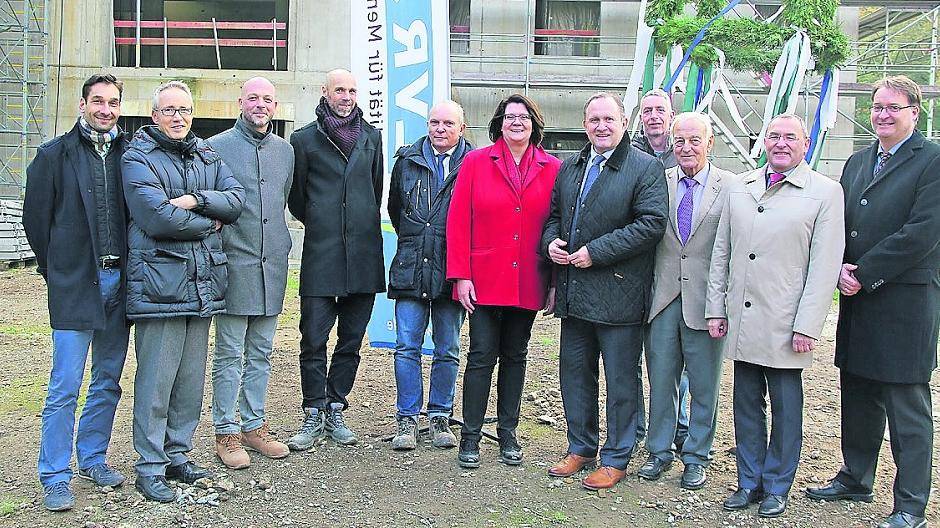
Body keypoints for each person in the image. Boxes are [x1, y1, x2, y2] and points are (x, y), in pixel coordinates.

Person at [806, 76, 939, 528]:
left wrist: (864, 273)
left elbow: (921, 234)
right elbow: (842, 223)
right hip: (858, 300)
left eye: (893, 108)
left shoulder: (933, 160)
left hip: (904, 302)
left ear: (914, 112)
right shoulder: (859, 161)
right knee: (858, 393)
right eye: (877, 107)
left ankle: (910, 505)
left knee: (906, 407)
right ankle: (855, 478)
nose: (882, 114)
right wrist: (840, 265)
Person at [706, 113, 844, 518]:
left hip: (786, 322)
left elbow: (824, 266)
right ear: (764, 141)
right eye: (774, 136)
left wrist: (808, 324)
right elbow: (721, 253)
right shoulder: (741, 188)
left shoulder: (825, 192)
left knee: (786, 409)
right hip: (743, 320)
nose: (781, 143)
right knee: (746, 404)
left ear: (805, 144)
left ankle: (778, 485)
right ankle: (749, 481)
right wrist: (716, 308)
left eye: (790, 137)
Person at [122, 80, 245, 502]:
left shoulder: (206, 153)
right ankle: (150, 465)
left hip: (202, 286)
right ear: (154, 115)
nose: (178, 117)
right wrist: (210, 224)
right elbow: (154, 217)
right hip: (160, 287)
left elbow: (235, 202)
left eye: (185, 110)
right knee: (157, 381)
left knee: (189, 381)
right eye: (170, 109)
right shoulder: (138, 155)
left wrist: (194, 200)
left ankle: (177, 454)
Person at [542, 92, 668, 490]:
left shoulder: (644, 168)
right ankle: (581, 447)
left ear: (624, 123)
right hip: (575, 295)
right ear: (585, 125)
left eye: (608, 119)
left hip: (618, 295)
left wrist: (595, 252)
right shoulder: (572, 166)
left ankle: (616, 457)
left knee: (620, 382)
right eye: (594, 120)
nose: (601, 126)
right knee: (575, 375)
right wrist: (551, 243)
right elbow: (556, 216)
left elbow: (651, 224)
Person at [23, 74, 130, 512]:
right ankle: (54, 475)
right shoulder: (53, 155)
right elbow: (36, 224)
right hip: (75, 285)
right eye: (98, 101)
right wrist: (60, 272)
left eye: (113, 102)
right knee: (65, 386)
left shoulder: (131, 153)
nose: (106, 109)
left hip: (120, 284)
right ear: (82, 103)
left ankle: (92, 458)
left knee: (107, 380)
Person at [446, 93, 560, 468]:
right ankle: (471, 435)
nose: (517, 122)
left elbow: (556, 224)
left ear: (534, 124)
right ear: (499, 122)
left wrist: (555, 281)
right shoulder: (476, 162)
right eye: (510, 116)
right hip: (484, 279)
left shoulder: (552, 167)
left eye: (524, 117)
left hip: (528, 277)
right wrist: (460, 275)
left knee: (516, 355)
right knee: (481, 355)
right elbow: (459, 221)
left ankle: (508, 432)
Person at [287, 69, 384, 450]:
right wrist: (326, 219)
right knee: (312, 338)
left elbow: (374, 191)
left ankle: (336, 404)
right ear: (325, 93)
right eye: (339, 89)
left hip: (362, 255)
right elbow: (298, 198)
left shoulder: (372, 138)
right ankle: (313, 410)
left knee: (351, 340)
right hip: (322, 255)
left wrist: (353, 219)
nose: (346, 95)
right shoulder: (303, 139)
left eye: (352, 90)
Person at [640, 112, 733, 490]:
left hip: (707, 303)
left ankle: (696, 456)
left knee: (704, 385)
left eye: (695, 140)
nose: (686, 148)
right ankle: (659, 451)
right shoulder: (658, 182)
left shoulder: (730, 187)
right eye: (680, 141)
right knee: (661, 381)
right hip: (662, 299)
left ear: (710, 143)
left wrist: (721, 304)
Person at [206, 77, 293, 469]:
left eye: (268, 99)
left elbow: (282, 202)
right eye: (253, 98)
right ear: (240, 101)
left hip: (271, 265)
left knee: (261, 352)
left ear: (276, 106)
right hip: (235, 265)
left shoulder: (285, 152)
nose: (261, 104)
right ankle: (226, 431)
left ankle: (254, 425)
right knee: (229, 352)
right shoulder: (216, 148)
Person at [387, 100, 473, 450]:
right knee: (406, 346)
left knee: (448, 347)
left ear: (462, 129)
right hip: (410, 266)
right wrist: (418, 238)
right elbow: (396, 209)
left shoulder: (475, 163)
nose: (440, 129)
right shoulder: (406, 161)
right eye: (434, 122)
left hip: (453, 269)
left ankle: (440, 416)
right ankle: (407, 419)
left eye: (448, 123)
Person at [631, 89, 689, 449]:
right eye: (647, 110)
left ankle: (679, 425)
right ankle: (637, 426)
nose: (654, 116)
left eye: (660, 110)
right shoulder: (630, 153)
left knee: (674, 356)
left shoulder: (683, 152)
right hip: (636, 268)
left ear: (671, 115)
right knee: (631, 354)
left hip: (673, 268)